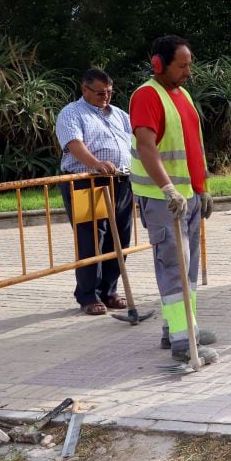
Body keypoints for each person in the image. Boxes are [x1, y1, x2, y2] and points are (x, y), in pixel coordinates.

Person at [130, 35, 218, 363]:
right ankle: (183, 343)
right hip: (163, 200)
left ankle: (182, 328)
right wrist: (169, 188)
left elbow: (194, 145)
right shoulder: (147, 96)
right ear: (158, 64)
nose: (187, 72)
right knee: (173, 268)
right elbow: (146, 146)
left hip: (189, 198)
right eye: (181, 66)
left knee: (187, 267)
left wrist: (202, 187)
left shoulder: (182, 95)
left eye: (189, 65)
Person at [55, 68, 134, 315]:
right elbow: (74, 144)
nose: (106, 97)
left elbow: (133, 141)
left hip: (120, 182)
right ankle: (88, 295)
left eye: (109, 92)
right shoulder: (72, 113)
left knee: (119, 238)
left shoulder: (119, 114)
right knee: (91, 239)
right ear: (85, 89)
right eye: (100, 93)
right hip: (87, 182)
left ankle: (109, 290)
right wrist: (95, 164)